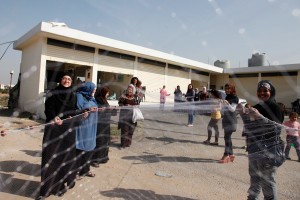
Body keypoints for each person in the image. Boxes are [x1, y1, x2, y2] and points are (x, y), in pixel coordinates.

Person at [239, 80, 284, 200]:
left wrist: (260, 116)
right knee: (255, 179)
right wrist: (242, 114)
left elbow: (276, 129)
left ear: (271, 92)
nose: (262, 93)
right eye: (260, 91)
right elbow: (249, 126)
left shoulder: (275, 108)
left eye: (265, 91)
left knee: (267, 182)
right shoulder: (257, 107)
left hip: (269, 150)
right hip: (254, 148)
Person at [38, 72, 78, 199]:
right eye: (64, 78)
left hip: (67, 130)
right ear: (61, 80)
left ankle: (60, 186)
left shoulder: (73, 95)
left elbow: (74, 109)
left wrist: (74, 115)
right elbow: (48, 109)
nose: (67, 81)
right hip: (54, 129)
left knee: (64, 158)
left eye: (69, 79)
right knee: (51, 158)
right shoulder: (53, 93)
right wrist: (54, 117)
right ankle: (47, 189)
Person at [75, 82, 98, 178]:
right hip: (83, 126)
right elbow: (77, 109)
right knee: (80, 149)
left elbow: (94, 107)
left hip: (91, 126)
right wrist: (88, 109)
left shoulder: (91, 98)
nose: (94, 90)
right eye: (93, 88)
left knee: (89, 148)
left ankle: (86, 170)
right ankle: (77, 171)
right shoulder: (79, 96)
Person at [91, 86, 117, 167]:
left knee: (105, 141)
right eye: (107, 93)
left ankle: (103, 158)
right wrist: (101, 110)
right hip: (99, 125)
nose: (108, 94)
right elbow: (94, 111)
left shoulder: (105, 101)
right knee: (99, 141)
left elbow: (108, 111)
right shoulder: (96, 101)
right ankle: (95, 160)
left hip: (106, 124)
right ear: (102, 93)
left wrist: (113, 109)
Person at [219, 83, 239, 163]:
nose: (227, 90)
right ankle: (231, 154)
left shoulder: (235, 98)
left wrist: (227, 104)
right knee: (227, 137)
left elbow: (232, 109)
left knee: (227, 137)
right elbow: (225, 109)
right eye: (226, 88)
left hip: (231, 121)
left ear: (232, 89)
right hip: (227, 120)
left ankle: (226, 154)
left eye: (228, 88)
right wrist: (222, 103)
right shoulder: (227, 97)